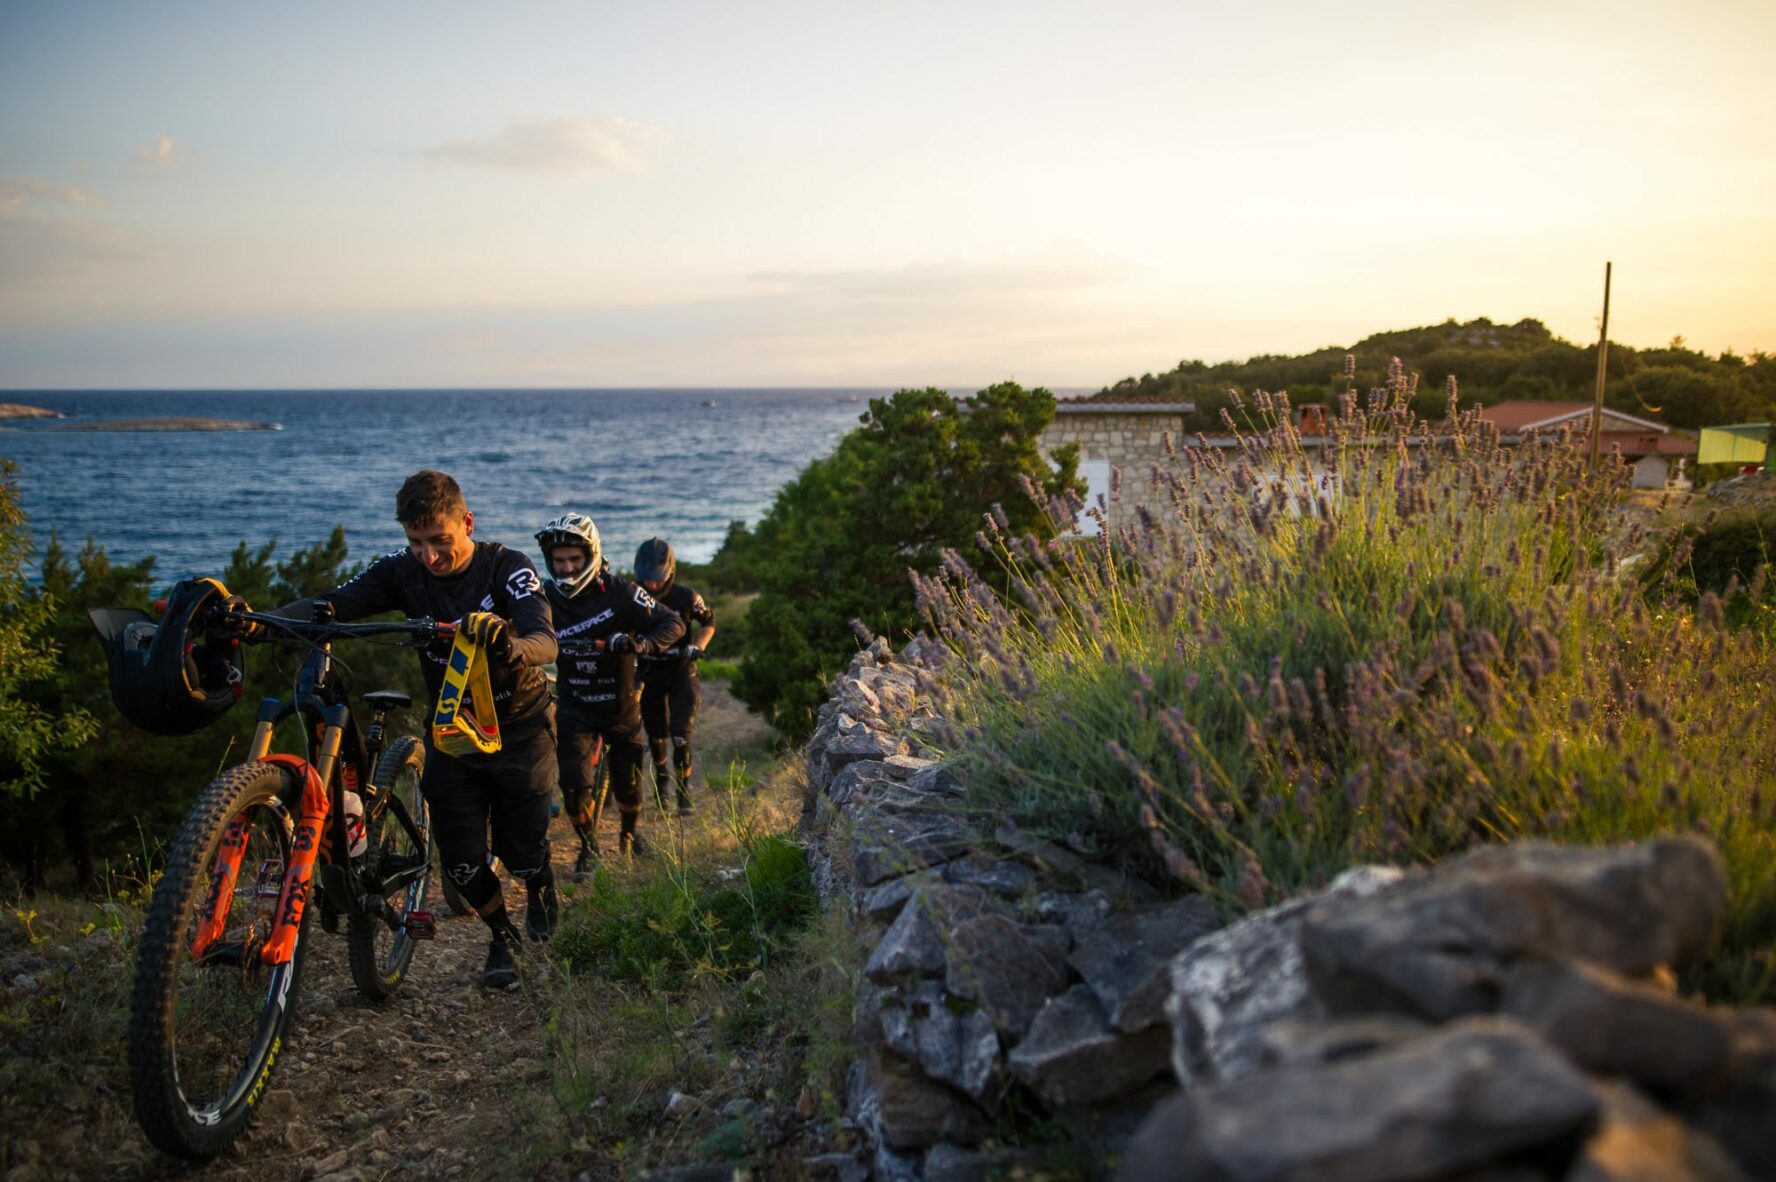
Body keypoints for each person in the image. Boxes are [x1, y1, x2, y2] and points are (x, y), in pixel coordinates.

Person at [280, 470, 558, 989]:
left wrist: (508, 643)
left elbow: (545, 638)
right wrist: (260, 619)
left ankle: (539, 883)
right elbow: (331, 605)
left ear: (467, 523)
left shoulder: (507, 568)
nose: (428, 556)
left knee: (521, 851)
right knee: (460, 862)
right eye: (415, 543)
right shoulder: (401, 572)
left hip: (519, 726)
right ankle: (502, 936)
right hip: (455, 732)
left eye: (439, 541)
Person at [535, 514, 684, 873]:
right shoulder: (544, 595)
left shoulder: (622, 592)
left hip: (621, 708)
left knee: (629, 789)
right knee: (572, 788)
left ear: (591, 555)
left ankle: (630, 836)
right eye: (559, 561)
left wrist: (639, 644)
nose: (567, 568)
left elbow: (673, 623)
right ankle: (589, 848)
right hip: (574, 706)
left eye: (574, 559)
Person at [632, 537, 716, 816]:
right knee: (656, 735)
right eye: (647, 580)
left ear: (670, 573)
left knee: (681, 733)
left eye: (658, 580)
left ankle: (683, 793)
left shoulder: (687, 597)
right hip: (648, 672)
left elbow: (708, 622)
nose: (652, 586)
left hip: (681, 669)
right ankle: (662, 784)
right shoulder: (631, 597)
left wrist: (699, 646)